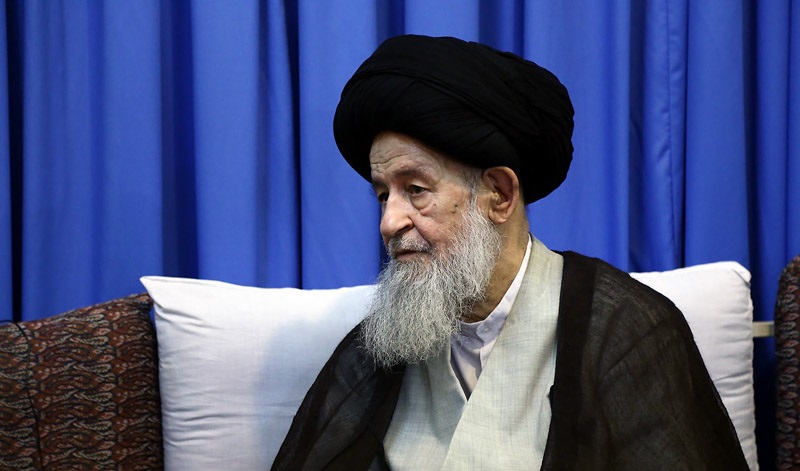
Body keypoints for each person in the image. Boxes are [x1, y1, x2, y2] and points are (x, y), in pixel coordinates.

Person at [272, 35, 747, 470]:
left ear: (499, 195)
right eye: (383, 195)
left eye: (415, 189)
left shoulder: (625, 331)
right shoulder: (381, 345)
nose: (389, 222)